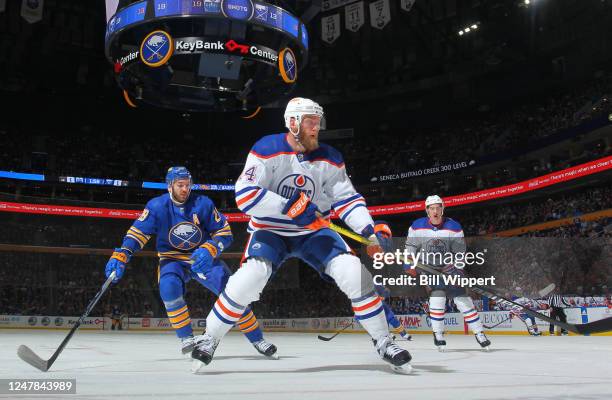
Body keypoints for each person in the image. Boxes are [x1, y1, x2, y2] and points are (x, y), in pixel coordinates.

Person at [191, 97, 412, 374]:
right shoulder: (266, 148)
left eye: (318, 122)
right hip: (271, 229)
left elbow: (348, 200)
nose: (315, 128)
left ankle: (384, 341)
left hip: (314, 231)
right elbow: (245, 195)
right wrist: (290, 207)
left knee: (355, 274)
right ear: (293, 122)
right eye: (310, 121)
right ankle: (210, 337)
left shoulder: (331, 157)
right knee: (249, 279)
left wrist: (369, 231)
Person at [104, 166, 277, 358]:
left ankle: (257, 339)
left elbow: (224, 233)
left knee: (235, 294)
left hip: (202, 256)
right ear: (170, 186)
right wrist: (122, 254)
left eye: (188, 185)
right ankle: (186, 338)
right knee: (168, 288)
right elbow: (137, 234)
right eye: (180, 185)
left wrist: (210, 248)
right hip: (172, 258)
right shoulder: (156, 207)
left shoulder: (203, 203)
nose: (185, 189)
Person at [404, 195, 491, 351]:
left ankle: (479, 333)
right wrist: (408, 264)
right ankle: (438, 334)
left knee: (463, 300)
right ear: (427, 211)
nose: (435, 211)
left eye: (438, 208)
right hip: (429, 269)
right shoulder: (417, 226)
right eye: (431, 208)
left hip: (449, 268)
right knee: (437, 299)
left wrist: (457, 270)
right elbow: (410, 246)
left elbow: (460, 251)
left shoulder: (454, 227)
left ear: (442, 209)